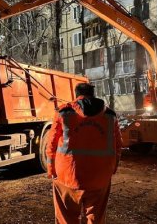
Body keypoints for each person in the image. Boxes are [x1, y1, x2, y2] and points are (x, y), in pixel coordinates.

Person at [46, 83, 122, 224]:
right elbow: (118, 145)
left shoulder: (64, 112)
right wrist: (113, 168)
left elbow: (51, 143)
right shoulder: (111, 115)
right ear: (93, 94)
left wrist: (51, 170)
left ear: (76, 94)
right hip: (100, 176)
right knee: (95, 217)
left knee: (66, 218)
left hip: (67, 176)